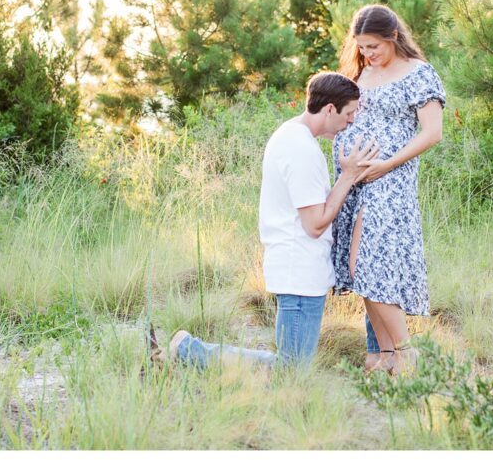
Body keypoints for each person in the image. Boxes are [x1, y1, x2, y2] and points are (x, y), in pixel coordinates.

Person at [160, 72, 378, 369]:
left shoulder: (292, 135)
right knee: (291, 370)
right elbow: (315, 224)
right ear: (330, 109)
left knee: (292, 366)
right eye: (349, 113)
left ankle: (187, 349)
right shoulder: (300, 149)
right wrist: (349, 177)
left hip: (298, 269)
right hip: (299, 271)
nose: (350, 122)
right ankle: (188, 350)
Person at [331, 4, 445, 375]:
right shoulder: (362, 72)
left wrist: (385, 164)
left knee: (368, 264)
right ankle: (385, 355)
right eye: (362, 47)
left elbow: (432, 133)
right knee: (357, 268)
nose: (368, 54)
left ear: (394, 37)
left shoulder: (418, 74)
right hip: (355, 183)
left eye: (374, 47)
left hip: (389, 182)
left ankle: (407, 352)